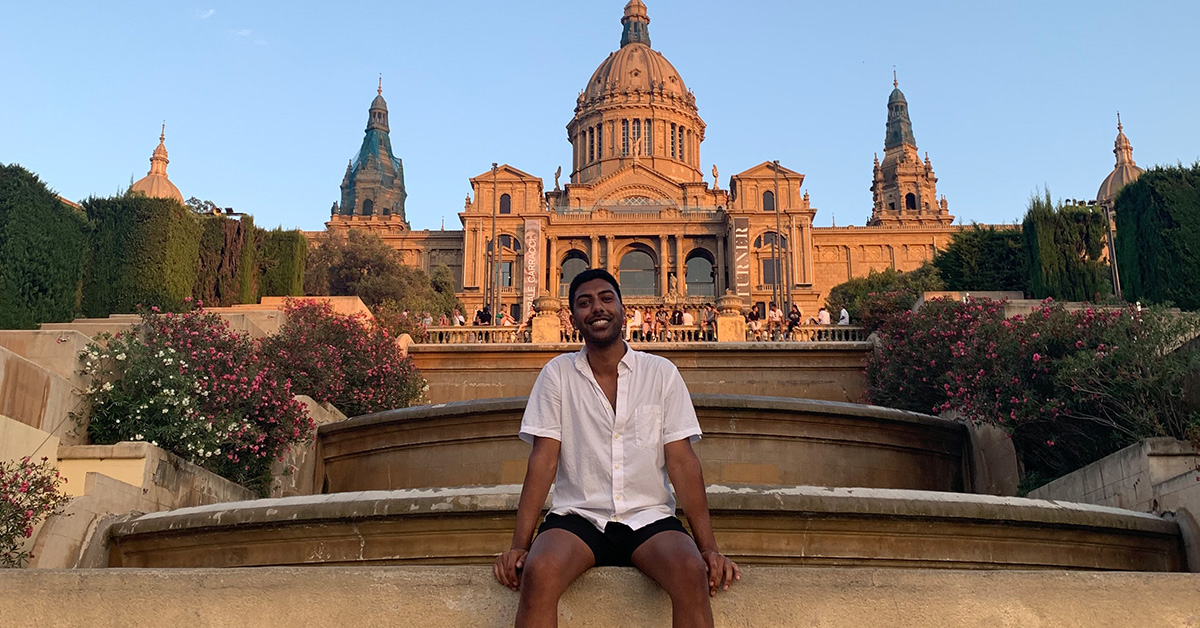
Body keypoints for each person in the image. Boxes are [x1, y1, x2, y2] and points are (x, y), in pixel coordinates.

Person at [494, 269, 739, 627]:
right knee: (540, 570)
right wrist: (520, 544)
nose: (597, 308)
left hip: (649, 518)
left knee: (691, 571)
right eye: (584, 302)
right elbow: (543, 461)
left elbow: (683, 464)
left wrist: (709, 550)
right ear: (573, 317)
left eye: (606, 298)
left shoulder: (661, 373)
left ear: (624, 308)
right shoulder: (556, 374)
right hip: (578, 517)